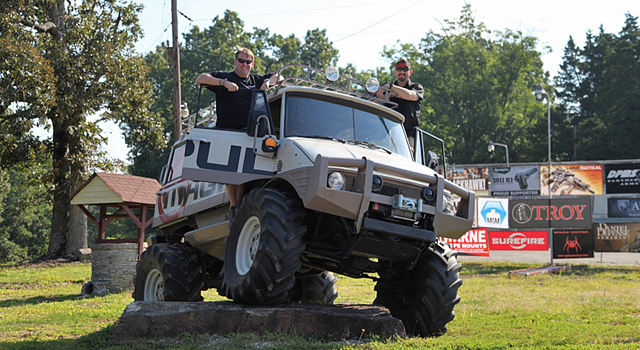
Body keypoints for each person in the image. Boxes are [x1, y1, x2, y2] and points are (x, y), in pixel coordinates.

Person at [195, 46, 281, 216]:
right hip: (227, 132)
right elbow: (200, 78)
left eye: (248, 62)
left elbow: (280, 75)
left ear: (252, 64)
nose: (244, 65)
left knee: (242, 171)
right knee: (230, 172)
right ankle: (234, 206)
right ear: (235, 62)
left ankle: (237, 206)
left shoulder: (256, 80)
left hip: (248, 132)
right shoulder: (226, 77)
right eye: (241, 61)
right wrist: (224, 84)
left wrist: (268, 83)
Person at [375, 59, 424, 151]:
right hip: (385, 133)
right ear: (395, 71)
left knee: (409, 155)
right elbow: (373, 103)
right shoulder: (385, 87)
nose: (402, 72)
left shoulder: (416, 87)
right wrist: (388, 95)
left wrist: (391, 89)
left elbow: (409, 95)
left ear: (410, 72)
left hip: (408, 134)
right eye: (399, 69)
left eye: (405, 69)